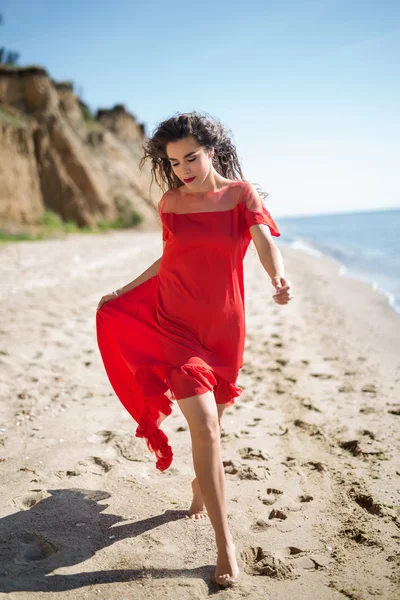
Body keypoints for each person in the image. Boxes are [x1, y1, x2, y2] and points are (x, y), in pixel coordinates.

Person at [95, 111, 293, 587]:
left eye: (191, 158)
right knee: (204, 425)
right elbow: (169, 257)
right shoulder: (171, 202)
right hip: (174, 325)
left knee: (214, 425)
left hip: (224, 329)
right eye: (174, 162)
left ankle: (200, 483)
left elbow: (264, 242)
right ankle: (226, 549)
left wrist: (277, 277)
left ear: (212, 150)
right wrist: (122, 290)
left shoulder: (240, 195)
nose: (183, 168)